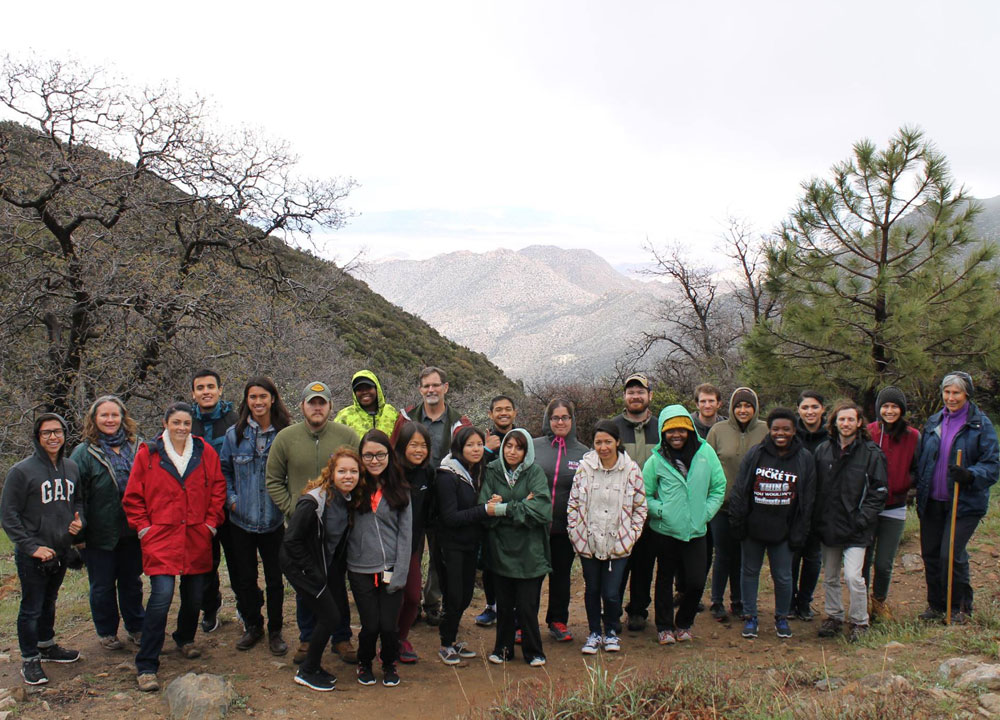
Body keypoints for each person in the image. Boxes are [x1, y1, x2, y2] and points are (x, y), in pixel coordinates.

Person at [122, 402, 226, 692]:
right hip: (162, 538)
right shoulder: (150, 454)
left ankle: (185, 637)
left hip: (195, 536)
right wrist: (143, 527)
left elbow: (218, 488)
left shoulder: (204, 451)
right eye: (176, 423)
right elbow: (133, 496)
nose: (182, 428)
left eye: (186, 423)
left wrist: (210, 524)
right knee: (161, 596)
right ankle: (147, 663)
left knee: (194, 596)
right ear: (165, 423)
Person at [266, 381, 360, 665]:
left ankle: (341, 638)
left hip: (339, 529)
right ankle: (307, 638)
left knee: (336, 582)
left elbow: (359, 475)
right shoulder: (285, 438)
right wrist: (294, 511)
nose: (317, 407)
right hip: (303, 529)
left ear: (330, 406)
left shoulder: (347, 436)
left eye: (322, 402)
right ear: (302, 406)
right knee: (306, 584)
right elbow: (273, 480)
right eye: (312, 402)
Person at [2, 413, 84, 686]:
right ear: (38, 437)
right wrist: (31, 547)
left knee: (50, 601)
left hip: (60, 549)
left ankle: (46, 645)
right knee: (31, 607)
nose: (53, 437)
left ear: (64, 434)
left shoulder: (71, 467)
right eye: (47, 432)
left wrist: (78, 521)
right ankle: (29, 658)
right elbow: (8, 515)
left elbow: (78, 501)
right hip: (33, 553)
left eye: (58, 431)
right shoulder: (21, 471)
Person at [915, 372, 1000, 624]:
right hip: (932, 500)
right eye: (947, 392)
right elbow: (922, 460)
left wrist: (971, 475)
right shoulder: (933, 422)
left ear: (967, 395)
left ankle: (961, 607)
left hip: (964, 502)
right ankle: (937, 605)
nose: (951, 398)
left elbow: (993, 465)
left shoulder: (980, 425)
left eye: (956, 393)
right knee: (930, 553)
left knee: (950, 554)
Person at [280, 448, 363, 692]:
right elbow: (291, 541)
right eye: (342, 471)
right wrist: (313, 573)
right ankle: (307, 670)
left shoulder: (346, 500)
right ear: (331, 473)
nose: (348, 476)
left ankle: (312, 666)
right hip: (300, 567)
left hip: (321, 567)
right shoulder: (314, 501)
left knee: (331, 613)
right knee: (330, 616)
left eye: (354, 471)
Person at [728, 408, 816, 640]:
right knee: (749, 572)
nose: (780, 433)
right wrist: (738, 523)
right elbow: (740, 488)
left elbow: (808, 497)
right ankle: (750, 617)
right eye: (776, 429)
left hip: (784, 529)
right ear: (769, 429)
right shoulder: (756, 453)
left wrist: (801, 531)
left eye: (786, 429)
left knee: (784, 576)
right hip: (753, 526)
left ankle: (782, 618)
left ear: (794, 430)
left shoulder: (804, 458)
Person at [220, 377, 292, 655]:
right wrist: (232, 500)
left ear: (272, 398)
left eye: (263, 396)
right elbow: (224, 470)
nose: (258, 402)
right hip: (241, 520)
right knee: (246, 578)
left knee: (275, 579)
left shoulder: (284, 433)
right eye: (253, 397)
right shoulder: (233, 435)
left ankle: (275, 630)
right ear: (246, 401)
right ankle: (253, 625)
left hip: (274, 520)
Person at [644, 406, 726, 644]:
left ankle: (685, 622)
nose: (676, 434)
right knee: (664, 579)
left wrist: (705, 513)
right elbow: (644, 494)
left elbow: (718, 487)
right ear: (663, 432)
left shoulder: (705, 453)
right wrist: (662, 511)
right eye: (670, 430)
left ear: (690, 429)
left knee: (696, 581)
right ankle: (664, 626)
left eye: (681, 429)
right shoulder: (656, 459)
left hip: (696, 530)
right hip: (665, 530)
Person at [71, 396, 145, 652]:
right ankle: (106, 631)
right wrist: (78, 534)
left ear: (123, 418)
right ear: (94, 420)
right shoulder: (84, 453)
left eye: (115, 415)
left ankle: (137, 627)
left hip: (132, 530)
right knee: (102, 585)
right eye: (104, 415)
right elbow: (75, 495)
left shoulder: (137, 447)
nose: (110, 420)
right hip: (98, 532)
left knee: (131, 582)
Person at [567, 420, 646, 654]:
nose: (603, 447)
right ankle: (593, 633)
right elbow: (573, 503)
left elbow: (640, 508)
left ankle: (611, 631)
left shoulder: (631, 470)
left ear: (617, 442)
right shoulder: (585, 468)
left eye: (608, 442)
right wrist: (576, 532)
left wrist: (630, 535)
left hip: (618, 543)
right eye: (598, 442)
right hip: (588, 541)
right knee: (592, 589)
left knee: (611, 593)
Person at [401, 367, 471, 626]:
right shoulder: (406, 418)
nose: (431, 390)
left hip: (445, 499)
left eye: (435, 385)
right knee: (411, 550)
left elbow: (468, 455)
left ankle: (432, 602)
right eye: (426, 386)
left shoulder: (459, 422)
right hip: (412, 497)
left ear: (445, 387)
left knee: (440, 554)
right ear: (420, 389)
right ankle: (411, 601)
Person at [814, 400, 888, 642]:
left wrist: (863, 518)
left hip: (857, 527)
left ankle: (859, 621)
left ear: (859, 422)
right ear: (834, 422)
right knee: (831, 576)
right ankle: (834, 616)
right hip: (829, 524)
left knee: (854, 576)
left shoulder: (871, 453)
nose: (845, 424)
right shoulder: (823, 451)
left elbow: (879, 491)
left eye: (850, 419)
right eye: (841, 419)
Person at [480, 428, 553, 666]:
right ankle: (503, 648)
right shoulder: (492, 471)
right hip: (501, 549)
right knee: (504, 605)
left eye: (518, 447)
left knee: (527, 605)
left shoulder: (535, 472)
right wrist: (522, 505)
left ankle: (534, 651)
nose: (512, 452)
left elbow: (542, 510)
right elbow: (484, 509)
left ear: (527, 451)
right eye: (508, 446)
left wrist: (506, 507)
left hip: (531, 552)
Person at [349, 429, 412, 687]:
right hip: (360, 568)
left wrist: (401, 572)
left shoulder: (400, 489)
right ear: (360, 457)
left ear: (389, 455)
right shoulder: (352, 489)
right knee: (370, 625)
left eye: (380, 454)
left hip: (391, 567)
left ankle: (389, 663)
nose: (374, 460)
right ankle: (364, 662)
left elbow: (406, 535)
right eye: (368, 455)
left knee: (389, 626)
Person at [706, 388, 768, 622]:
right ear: (731, 408)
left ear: (755, 408)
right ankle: (717, 601)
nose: (743, 410)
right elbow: (707, 464)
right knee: (723, 555)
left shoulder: (765, 430)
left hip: (754, 507)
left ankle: (739, 601)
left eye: (748, 406)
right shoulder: (718, 431)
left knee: (745, 556)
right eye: (738, 406)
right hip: (722, 505)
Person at [533, 398, 588, 643]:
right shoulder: (533, 447)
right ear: (548, 420)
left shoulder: (584, 453)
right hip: (534, 526)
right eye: (555, 417)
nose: (560, 422)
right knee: (531, 576)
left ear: (572, 420)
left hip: (566, 527)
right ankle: (524, 622)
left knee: (561, 575)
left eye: (565, 417)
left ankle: (558, 621)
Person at [864, 387, 920, 622]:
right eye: (885, 406)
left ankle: (879, 602)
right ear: (878, 409)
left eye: (894, 407)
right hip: (867, 506)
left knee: (884, 562)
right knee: (863, 561)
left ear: (901, 409)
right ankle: (861, 604)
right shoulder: (869, 432)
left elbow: (918, 468)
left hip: (895, 506)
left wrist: (906, 487)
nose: (889, 411)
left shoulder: (913, 436)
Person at [189, 369, 239, 635]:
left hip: (230, 504)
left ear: (220, 390)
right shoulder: (186, 422)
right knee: (205, 563)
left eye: (210, 386)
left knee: (239, 561)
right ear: (193, 393)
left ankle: (246, 606)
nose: (206, 391)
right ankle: (210, 608)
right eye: (200, 387)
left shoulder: (235, 420)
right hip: (198, 508)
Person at [434, 426, 488, 665]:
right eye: (470, 445)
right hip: (450, 546)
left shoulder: (475, 470)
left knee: (465, 595)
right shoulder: (448, 475)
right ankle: (445, 643)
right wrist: (483, 511)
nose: (476, 449)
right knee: (454, 596)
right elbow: (450, 517)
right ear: (459, 447)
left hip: (469, 544)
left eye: (479, 444)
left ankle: (453, 640)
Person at [609, 374, 659, 632]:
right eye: (631, 392)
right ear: (624, 397)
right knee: (618, 564)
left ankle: (638, 610)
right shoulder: (612, 427)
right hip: (618, 512)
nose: (636, 396)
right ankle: (613, 612)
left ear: (650, 395)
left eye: (641, 391)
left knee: (644, 564)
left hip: (651, 512)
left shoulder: (661, 427)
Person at [476, 394, 520, 627]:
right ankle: (492, 605)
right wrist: (485, 449)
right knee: (489, 559)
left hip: (514, 507)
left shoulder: (521, 438)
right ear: (491, 414)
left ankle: (512, 608)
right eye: (498, 410)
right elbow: (472, 466)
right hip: (488, 506)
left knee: (513, 558)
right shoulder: (483, 440)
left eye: (508, 409)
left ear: (514, 413)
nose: (503, 413)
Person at [394, 422, 434, 663]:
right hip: (387, 547)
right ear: (402, 445)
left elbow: (430, 511)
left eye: (423, 445)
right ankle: (387, 641)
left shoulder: (428, 474)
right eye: (413, 445)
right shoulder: (390, 471)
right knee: (390, 598)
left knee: (411, 596)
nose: (419, 450)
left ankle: (401, 638)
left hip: (413, 546)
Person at [790, 390, 826, 620]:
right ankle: (789, 600)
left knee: (813, 558)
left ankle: (805, 601)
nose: (810, 412)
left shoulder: (831, 435)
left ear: (822, 409)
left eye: (814, 407)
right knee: (791, 556)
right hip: (793, 505)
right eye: (805, 408)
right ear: (798, 411)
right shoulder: (792, 435)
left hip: (821, 505)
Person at [334, 370, 404, 441]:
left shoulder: (390, 412)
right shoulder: (344, 416)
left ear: (377, 389)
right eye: (359, 389)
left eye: (368, 387)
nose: (364, 392)